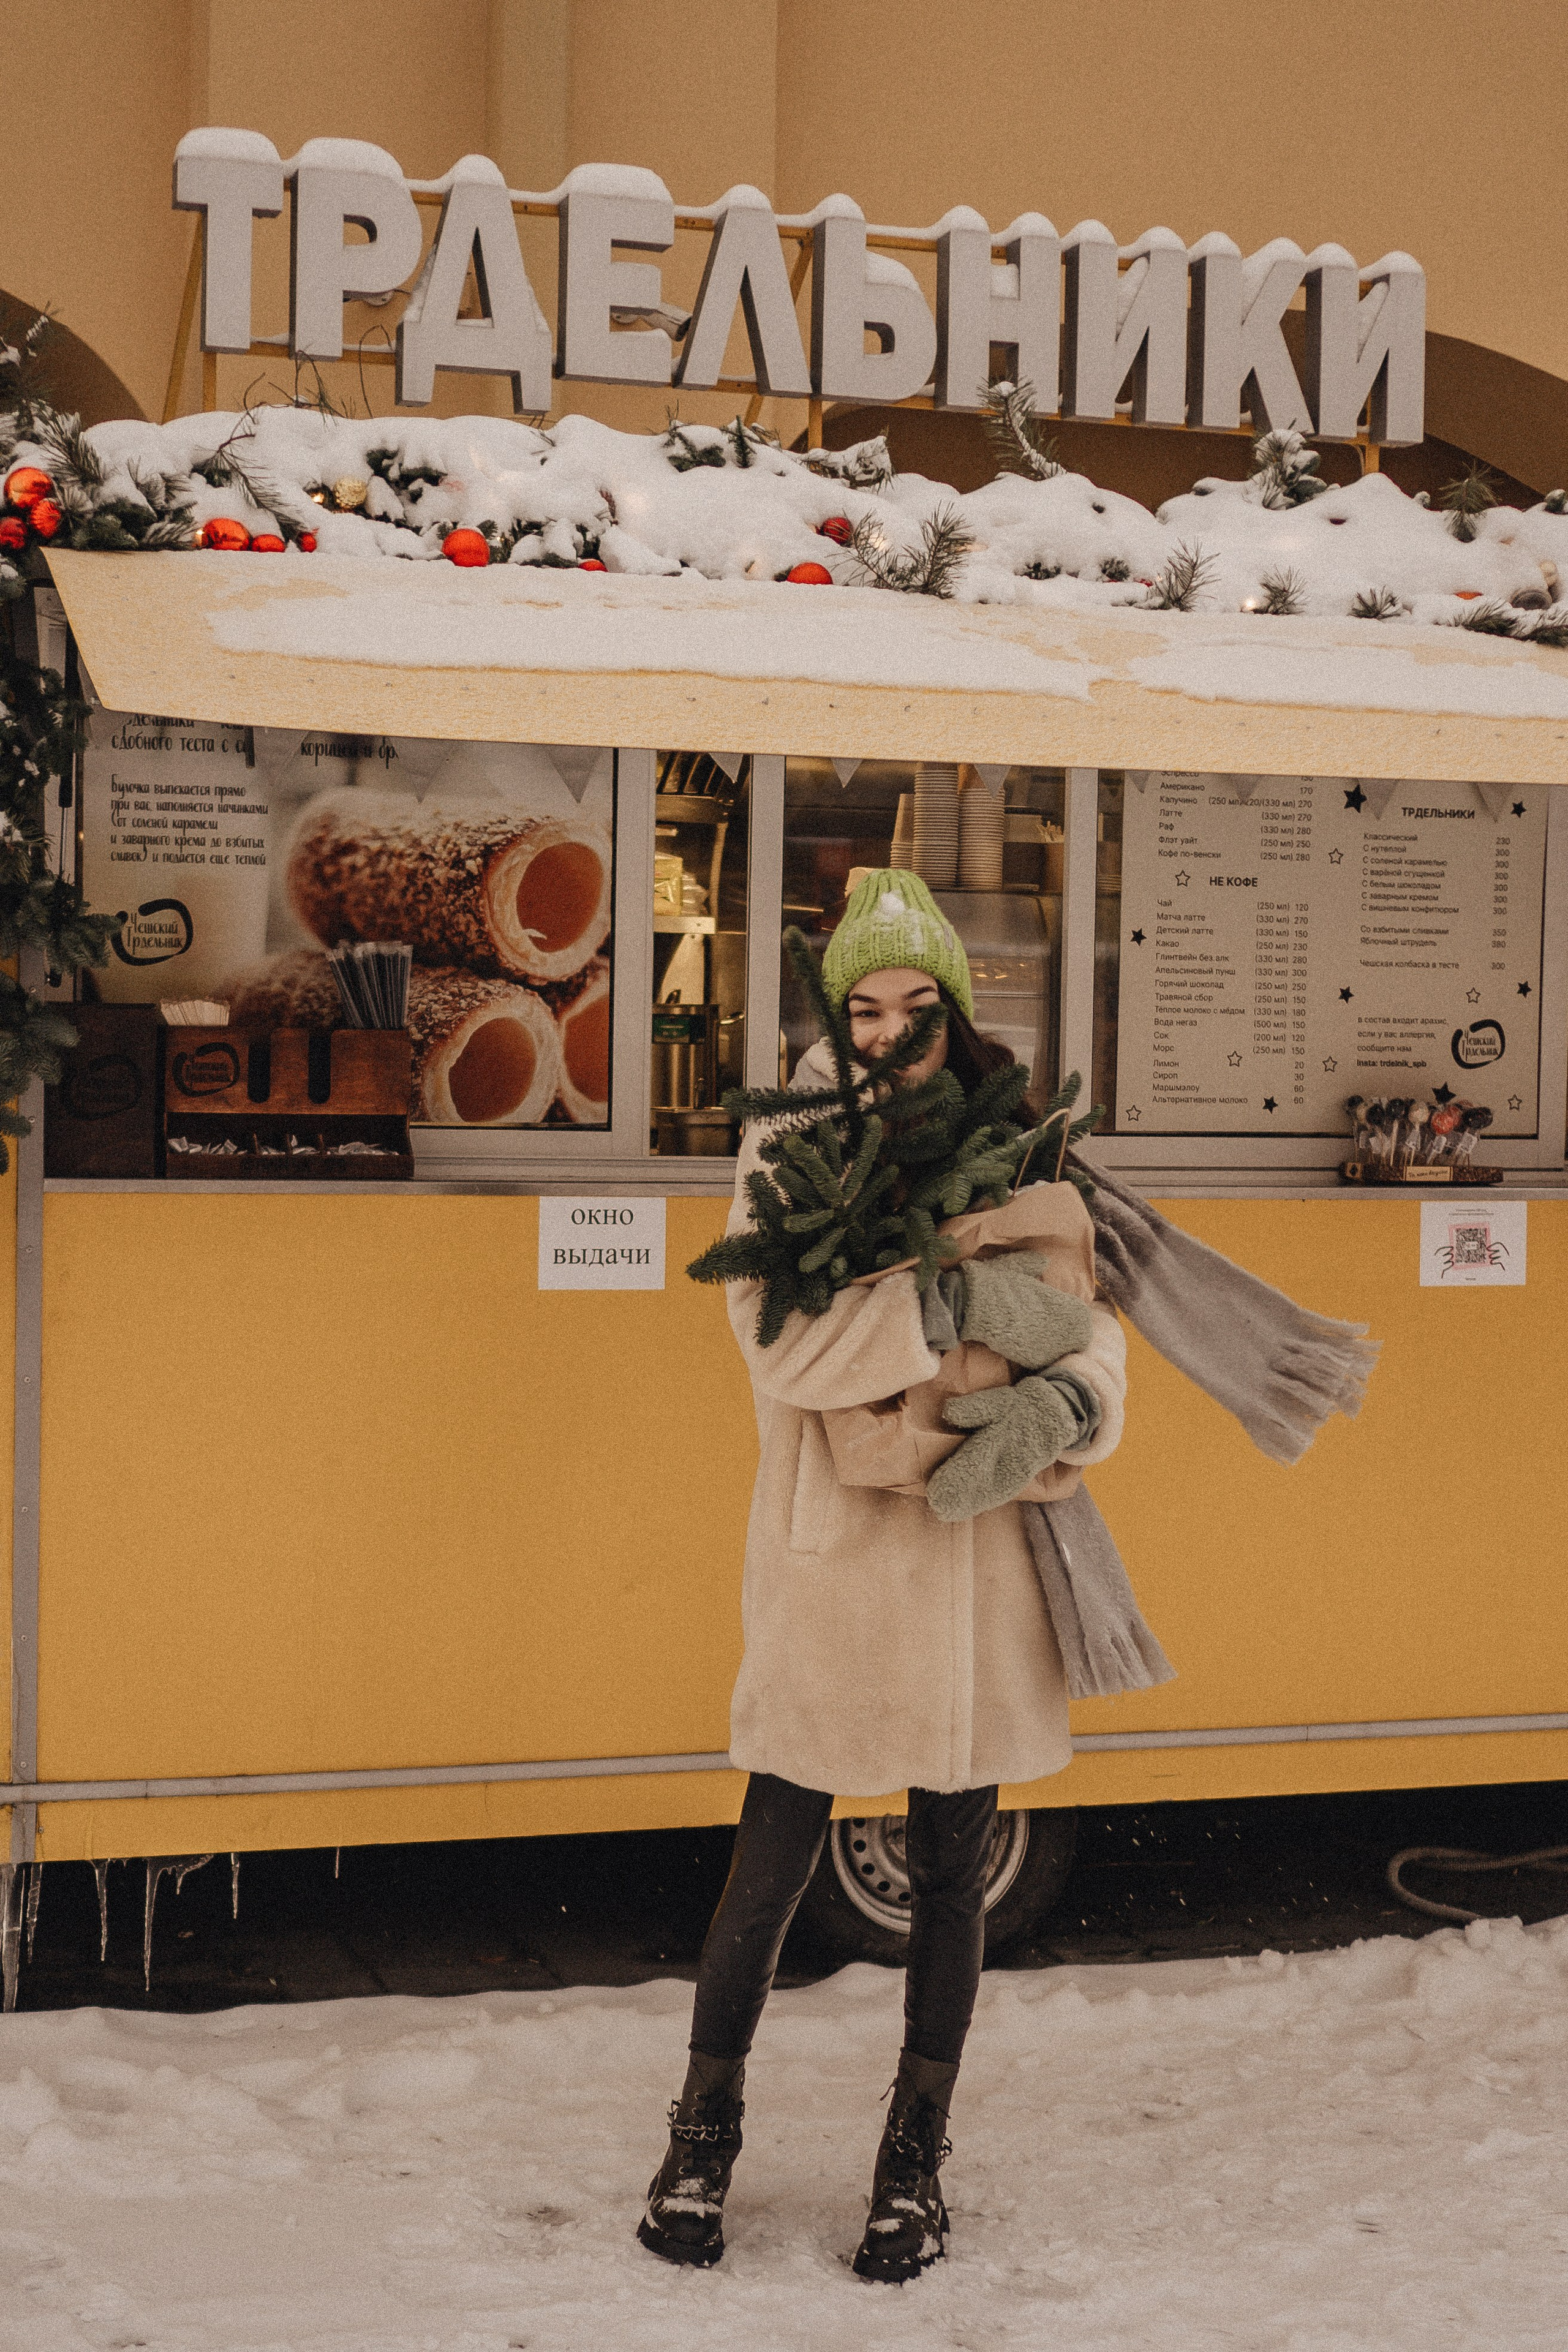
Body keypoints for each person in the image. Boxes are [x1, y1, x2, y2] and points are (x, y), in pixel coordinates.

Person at [636, 870, 1128, 2283]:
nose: (889, 1029)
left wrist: (1070, 1402)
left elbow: (1093, 1331)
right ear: (832, 1012)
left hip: (979, 1562)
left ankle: (913, 2156)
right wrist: (945, 1299)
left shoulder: (1019, 1140)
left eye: (917, 1004)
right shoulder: (788, 1146)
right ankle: (700, 2132)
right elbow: (779, 1346)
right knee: (772, 1859)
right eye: (863, 1004)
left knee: (954, 1874)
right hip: (839, 1557)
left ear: (953, 1011)